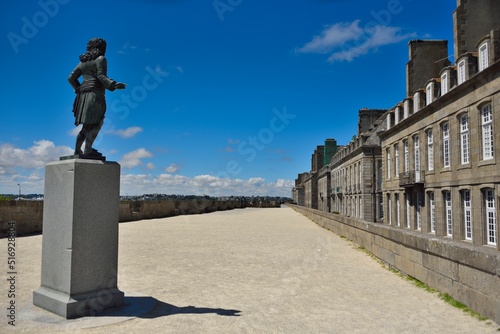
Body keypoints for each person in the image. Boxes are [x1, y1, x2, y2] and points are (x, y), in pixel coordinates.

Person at [68, 38, 126, 158]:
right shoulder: (101, 59)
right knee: (97, 123)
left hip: (82, 97)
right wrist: (114, 85)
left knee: (86, 126)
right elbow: (101, 77)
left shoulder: (83, 62)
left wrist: (79, 89)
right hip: (95, 96)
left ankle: (77, 150)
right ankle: (88, 149)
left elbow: (71, 78)